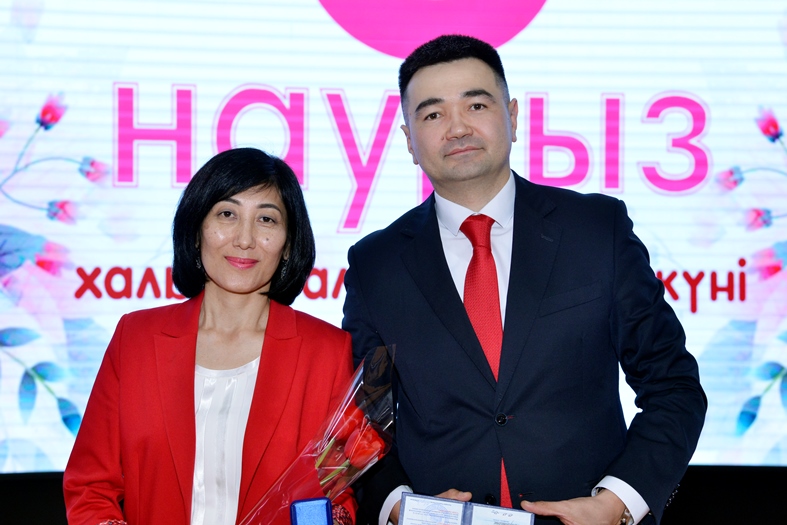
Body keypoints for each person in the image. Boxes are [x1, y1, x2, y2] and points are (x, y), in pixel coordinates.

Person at [342, 35, 706, 525]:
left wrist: (617, 503)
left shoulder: (596, 231)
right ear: (409, 141)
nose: (457, 127)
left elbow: (674, 386)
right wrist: (397, 506)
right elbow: (359, 419)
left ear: (512, 117)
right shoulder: (376, 265)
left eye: (476, 105)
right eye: (432, 114)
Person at [64, 148, 356, 525]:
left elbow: (338, 496)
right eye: (227, 214)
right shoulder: (135, 339)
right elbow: (90, 486)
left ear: (288, 244)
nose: (245, 239)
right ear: (196, 229)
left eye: (266, 219)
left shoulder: (326, 352)